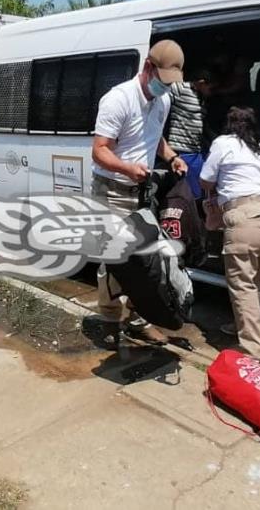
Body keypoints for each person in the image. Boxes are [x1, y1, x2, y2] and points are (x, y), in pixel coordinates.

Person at [91, 39, 188, 344]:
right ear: (148, 68)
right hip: (113, 190)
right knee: (115, 260)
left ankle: (137, 319)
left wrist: (171, 157)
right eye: (162, 81)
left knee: (146, 261)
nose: (166, 88)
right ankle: (109, 320)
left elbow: (155, 138)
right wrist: (126, 168)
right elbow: (99, 151)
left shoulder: (164, 101)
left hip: (143, 193)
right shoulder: (118, 99)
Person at [199, 107, 260, 358]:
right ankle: (241, 325)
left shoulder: (224, 143)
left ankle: (253, 348)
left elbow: (206, 178)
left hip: (244, 216)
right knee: (255, 279)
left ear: (229, 126)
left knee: (241, 284)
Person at [167, 67, 216, 199]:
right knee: (188, 192)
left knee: (198, 192)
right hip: (182, 152)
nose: (211, 93)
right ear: (201, 83)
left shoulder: (201, 99)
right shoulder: (181, 89)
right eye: (209, 88)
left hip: (196, 152)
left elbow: (202, 126)